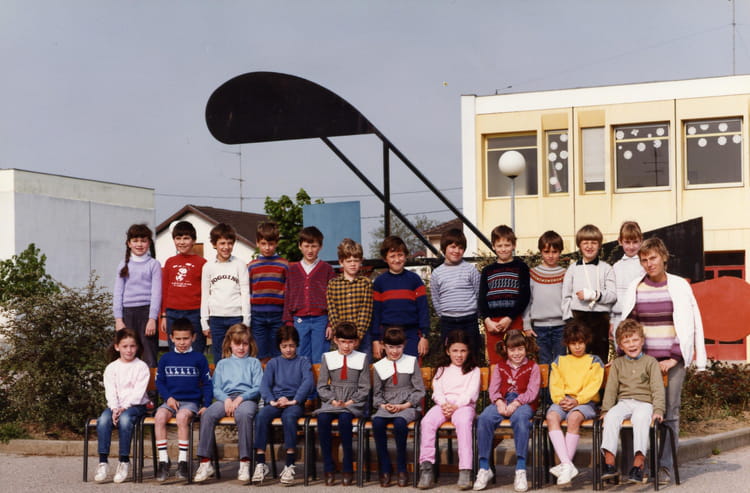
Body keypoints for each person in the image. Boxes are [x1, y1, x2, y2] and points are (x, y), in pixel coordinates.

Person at [620, 237, 706, 484]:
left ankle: (665, 466)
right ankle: (638, 466)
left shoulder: (678, 286)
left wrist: (674, 357)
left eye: (653, 258)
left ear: (663, 257)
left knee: (669, 413)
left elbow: (687, 324)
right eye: (644, 260)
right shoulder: (636, 287)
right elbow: (630, 325)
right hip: (642, 363)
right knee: (636, 411)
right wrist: (634, 358)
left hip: (672, 362)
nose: (649, 263)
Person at [194, 324, 263, 483]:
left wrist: (241, 398)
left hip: (246, 399)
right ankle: (205, 462)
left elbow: (258, 387)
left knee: (244, 414)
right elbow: (215, 387)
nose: (241, 348)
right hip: (225, 399)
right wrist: (226, 399)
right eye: (237, 344)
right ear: (230, 344)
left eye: (245, 344)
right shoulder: (222, 364)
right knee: (208, 414)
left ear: (250, 344)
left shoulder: (254, 363)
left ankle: (245, 462)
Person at [474, 330, 540, 492]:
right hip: (502, 401)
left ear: (526, 348)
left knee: (521, 420)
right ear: (506, 349)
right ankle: (484, 468)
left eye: (520, 349)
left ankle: (521, 469)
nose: (517, 353)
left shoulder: (533, 367)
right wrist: (499, 402)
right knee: (484, 418)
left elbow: (532, 392)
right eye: (512, 349)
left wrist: (516, 403)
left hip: (524, 403)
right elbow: (493, 389)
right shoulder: (499, 367)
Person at [600, 319, 665, 484]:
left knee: (641, 418)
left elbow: (657, 389)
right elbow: (611, 389)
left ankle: (638, 464)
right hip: (624, 402)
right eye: (626, 341)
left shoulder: (650, 362)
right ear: (621, 346)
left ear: (642, 341)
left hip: (645, 403)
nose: (632, 345)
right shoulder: (618, 364)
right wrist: (606, 410)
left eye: (635, 340)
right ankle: (609, 463)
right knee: (611, 417)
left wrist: (658, 410)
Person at [417, 330, 480, 490]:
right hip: (443, 405)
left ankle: (465, 470)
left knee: (463, 423)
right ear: (448, 351)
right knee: (427, 422)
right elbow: (437, 390)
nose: (459, 355)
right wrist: (444, 404)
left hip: (464, 406)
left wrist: (456, 406)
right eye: (455, 350)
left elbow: (471, 393)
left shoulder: (474, 370)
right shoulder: (442, 369)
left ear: (468, 351)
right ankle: (426, 468)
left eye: (463, 351)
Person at [252, 325, 314, 485]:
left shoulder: (303, 361)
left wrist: (295, 400)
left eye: (291, 346)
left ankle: (289, 464)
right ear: (279, 346)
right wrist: (272, 400)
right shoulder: (273, 363)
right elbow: (265, 385)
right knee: (261, 416)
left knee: (289, 417)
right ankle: (260, 463)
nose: (288, 350)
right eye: (284, 346)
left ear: (297, 345)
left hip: (294, 402)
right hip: (276, 401)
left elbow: (308, 382)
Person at [545, 321, 604, 486]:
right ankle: (567, 465)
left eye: (581, 342)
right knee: (551, 417)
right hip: (563, 400)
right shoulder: (560, 361)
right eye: (573, 343)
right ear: (567, 344)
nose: (577, 347)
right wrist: (560, 400)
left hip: (585, 402)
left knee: (573, 418)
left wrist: (577, 400)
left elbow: (593, 386)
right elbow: (555, 384)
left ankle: (564, 466)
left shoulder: (594, 360)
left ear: (586, 342)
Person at [154, 318, 212, 482]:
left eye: (185, 338)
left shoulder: (199, 358)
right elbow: (160, 382)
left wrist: (207, 404)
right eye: (178, 339)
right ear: (171, 338)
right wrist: (168, 398)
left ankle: (183, 461)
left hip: (190, 402)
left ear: (193, 337)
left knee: (182, 417)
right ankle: (163, 461)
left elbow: (207, 383)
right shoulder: (166, 358)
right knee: (159, 417)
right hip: (170, 401)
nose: (182, 342)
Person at [314, 321, 371, 486]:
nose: (347, 346)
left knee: (345, 420)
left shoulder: (361, 358)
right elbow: (322, 386)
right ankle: (328, 467)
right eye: (343, 342)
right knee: (323, 419)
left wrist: (350, 402)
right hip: (333, 401)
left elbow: (365, 387)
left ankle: (347, 467)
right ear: (336, 340)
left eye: (350, 342)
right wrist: (332, 400)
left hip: (352, 402)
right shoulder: (328, 357)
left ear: (356, 342)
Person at [371, 326, 426, 487]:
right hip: (387, 405)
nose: (394, 351)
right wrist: (383, 405)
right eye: (390, 347)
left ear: (404, 345)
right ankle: (385, 467)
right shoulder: (379, 366)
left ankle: (402, 468)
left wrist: (404, 405)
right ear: (383, 346)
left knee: (400, 423)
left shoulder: (411, 361)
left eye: (398, 347)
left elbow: (419, 390)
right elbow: (377, 393)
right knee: (377, 423)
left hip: (408, 405)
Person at [94, 328, 150, 483]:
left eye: (132, 346)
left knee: (125, 420)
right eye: (125, 346)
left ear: (137, 347)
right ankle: (103, 462)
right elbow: (110, 391)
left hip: (136, 406)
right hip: (116, 407)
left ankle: (124, 461)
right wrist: (114, 408)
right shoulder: (111, 368)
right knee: (103, 420)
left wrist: (124, 407)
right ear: (117, 347)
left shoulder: (141, 367)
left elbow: (138, 393)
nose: (129, 350)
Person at [562, 224, 616, 364]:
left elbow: (612, 295)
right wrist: (569, 321)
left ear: (599, 245)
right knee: (577, 360)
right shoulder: (573, 269)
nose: (589, 246)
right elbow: (566, 296)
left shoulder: (606, 268)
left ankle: (600, 379)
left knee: (600, 360)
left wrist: (593, 295)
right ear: (579, 245)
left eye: (594, 242)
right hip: (578, 318)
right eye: (585, 242)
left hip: (600, 320)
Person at [282, 226, 336, 364]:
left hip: (321, 320)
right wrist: (289, 321)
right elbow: (288, 296)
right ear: (300, 246)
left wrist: (331, 323)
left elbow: (334, 298)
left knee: (320, 358)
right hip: (299, 320)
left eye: (314, 246)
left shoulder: (327, 269)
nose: (310, 250)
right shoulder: (292, 270)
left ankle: (320, 380)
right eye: (306, 246)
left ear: (320, 247)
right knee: (300, 357)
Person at [479, 225, 530, 365]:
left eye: (507, 245)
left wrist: (509, 318)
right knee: (496, 362)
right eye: (499, 245)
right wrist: (487, 321)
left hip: (513, 320)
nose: (503, 249)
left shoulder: (521, 267)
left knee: (517, 358)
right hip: (493, 323)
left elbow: (525, 296)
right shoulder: (487, 270)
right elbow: (482, 299)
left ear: (514, 245)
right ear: (493, 246)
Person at [371, 235, 430, 359]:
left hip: (411, 334)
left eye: (400, 255)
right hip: (387, 334)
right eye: (392, 256)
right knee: (389, 369)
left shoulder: (415, 280)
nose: (397, 260)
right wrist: (376, 340)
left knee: (411, 367)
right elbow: (376, 313)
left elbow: (423, 309)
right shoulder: (379, 282)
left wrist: (424, 336)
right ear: (385, 258)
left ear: (406, 256)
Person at [200, 222, 250, 364]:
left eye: (229, 243)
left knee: (239, 352)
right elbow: (205, 294)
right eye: (222, 243)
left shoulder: (240, 265)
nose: (226, 247)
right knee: (219, 354)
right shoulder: (208, 267)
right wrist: (204, 321)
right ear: (214, 244)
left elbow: (245, 293)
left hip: (236, 317)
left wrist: (246, 320)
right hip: (216, 318)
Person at [113, 224, 161, 368]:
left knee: (149, 353)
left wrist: (152, 319)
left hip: (146, 312)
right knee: (128, 352)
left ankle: (151, 383)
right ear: (129, 243)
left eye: (143, 241)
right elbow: (117, 293)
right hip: (127, 313)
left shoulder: (154, 264)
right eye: (135, 241)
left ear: (149, 243)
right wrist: (118, 320)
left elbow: (156, 293)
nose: (139, 244)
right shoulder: (123, 265)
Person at [430, 228, 481, 354]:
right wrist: (444, 314)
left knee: (472, 353)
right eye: (453, 247)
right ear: (444, 248)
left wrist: (475, 313)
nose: (457, 251)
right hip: (448, 321)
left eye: (460, 248)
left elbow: (479, 293)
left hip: (469, 320)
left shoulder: (471, 270)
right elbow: (436, 298)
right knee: (449, 354)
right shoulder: (437, 273)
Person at [160, 220, 207, 355]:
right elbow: (165, 289)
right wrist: (164, 316)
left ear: (194, 240)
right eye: (178, 238)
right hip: (172, 313)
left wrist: (205, 317)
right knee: (175, 350)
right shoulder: (170, 262)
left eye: (186, 238)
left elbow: (206, 292)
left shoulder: (202, 263)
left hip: (195, 313)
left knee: (196, 349)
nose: (182, 242)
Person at [523, 230, 567, 365]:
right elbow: (528, 301)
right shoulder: (533, 273)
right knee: (543, 363)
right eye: (546, 252)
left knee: (561, 363)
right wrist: (526, 324)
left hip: (561, 326)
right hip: (539, 328)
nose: (551, 256)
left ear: (560, 252)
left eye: (555, 252)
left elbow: (568, 300)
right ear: (541, 252)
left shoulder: (565, 274)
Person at [247, 221, 289, 360]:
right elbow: (248, 290)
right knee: (259, 352)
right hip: (257, 315)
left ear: (276, 243)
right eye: (263, 243)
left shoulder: (284, 265)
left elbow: (288, 290)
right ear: (257, 243)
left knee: (278, 352)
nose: (267, 248)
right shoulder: (252, 266)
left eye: (271, 244)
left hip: (278, 315)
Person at [327, 238, 373, 353]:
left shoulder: (365, 283)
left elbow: (366, 311)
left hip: (362, 337)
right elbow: (332, 312)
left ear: (361, 261)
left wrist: (358, 337)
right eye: (349, 261)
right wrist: (340, 336)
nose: (353, 264)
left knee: (363, 362)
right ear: (341, 262)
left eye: (356, 261)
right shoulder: (333, 284)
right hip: (341, 338)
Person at [610, 221, 645, 330]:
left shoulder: (645, 265)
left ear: (641, 241)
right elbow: (612, 295)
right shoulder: (616, 267)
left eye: (635, 242)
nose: (631, 246)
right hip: (619, 318)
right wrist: (611, 321)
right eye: (627, 242)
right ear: (620, 241)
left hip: (639, 318)